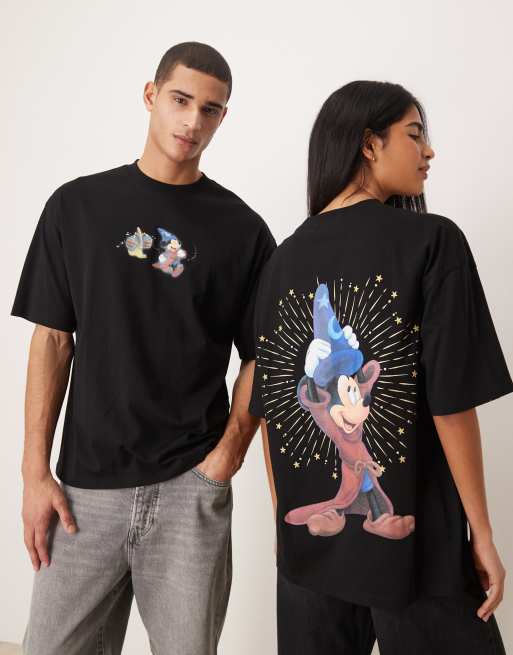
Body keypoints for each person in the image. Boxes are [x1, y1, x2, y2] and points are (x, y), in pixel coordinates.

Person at [11, 41, 275, 655]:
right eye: (180, 100)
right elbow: (52, 339)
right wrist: (34, 472)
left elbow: (263, 356)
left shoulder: (243, 230)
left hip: (190, 488)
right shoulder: (77, 206)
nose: (192, 121)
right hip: (84, 491)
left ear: (223, 117)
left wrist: (225, 459)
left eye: (210, 109)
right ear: (151, 95)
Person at [248, 80, 511, 654]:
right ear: (369, 144)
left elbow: (270, 414)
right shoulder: (433, 241)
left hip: (309, 561)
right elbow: (450, 402)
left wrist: (283, 529)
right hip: (420, 554)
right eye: (414, 135)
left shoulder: (281, 261)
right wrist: (483, 533)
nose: (428, 152)